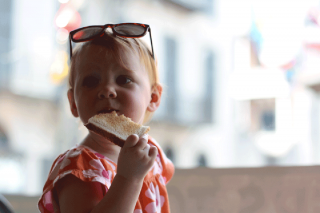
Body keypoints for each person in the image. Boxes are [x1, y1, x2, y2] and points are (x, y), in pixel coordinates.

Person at [38, 23, 175, 213]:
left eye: (123, 80)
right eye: (91, 81)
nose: (107, 91)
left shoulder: (151, 152)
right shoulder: (79, 168)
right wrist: (129, 179)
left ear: (153, 98)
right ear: (73, 103)